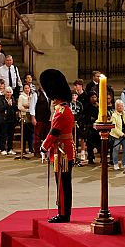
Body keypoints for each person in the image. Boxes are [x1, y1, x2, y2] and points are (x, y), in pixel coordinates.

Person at [40, 69, 75, 223]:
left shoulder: (61, 111)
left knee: (62, 184)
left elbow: (54, 133)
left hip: (62, 152)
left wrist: (43, 147)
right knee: (63, 183)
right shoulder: (63, 109)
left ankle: (63, 213)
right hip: (63, 149)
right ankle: (63, 211)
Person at [110, 100, 125, 171]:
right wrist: (122, 134)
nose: (120, 107)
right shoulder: (114, 115)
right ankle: (115, 163)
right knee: (116, 149)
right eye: (119, 106)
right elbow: (114, 127)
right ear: (116, 107)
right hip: (117, 135)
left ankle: (124, 163)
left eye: (122, 106)